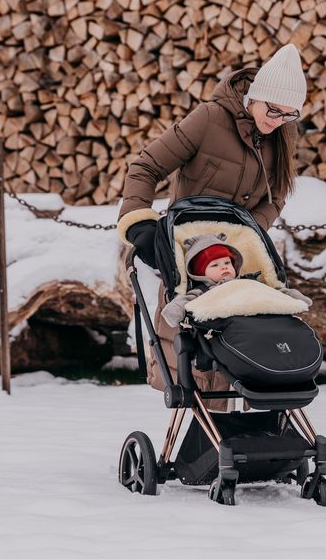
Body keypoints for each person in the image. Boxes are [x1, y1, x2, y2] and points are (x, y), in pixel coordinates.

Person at [117, 44, 308, 405]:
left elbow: (277, 195)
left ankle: (253, 438)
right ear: (254, 97)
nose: (277, 120)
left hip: (238, 261)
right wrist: (139, 224)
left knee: (245, 349)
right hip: (189, 255)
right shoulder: (208, 119)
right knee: (194, 362)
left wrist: (251, 232)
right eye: (273, 110)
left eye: (288, 114)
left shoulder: (278, 135)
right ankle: (205, 442)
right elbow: (146, 167)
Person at [161, 233, 312, 327]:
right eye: (215, 265)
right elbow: (186, 300)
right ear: (201, 273)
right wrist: (175, 311)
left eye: (227, 263)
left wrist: (294, 297)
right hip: (230, 325)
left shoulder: (249, 282)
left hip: (261, 319)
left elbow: (275, 292)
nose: (224, 268)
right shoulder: (203, 291)